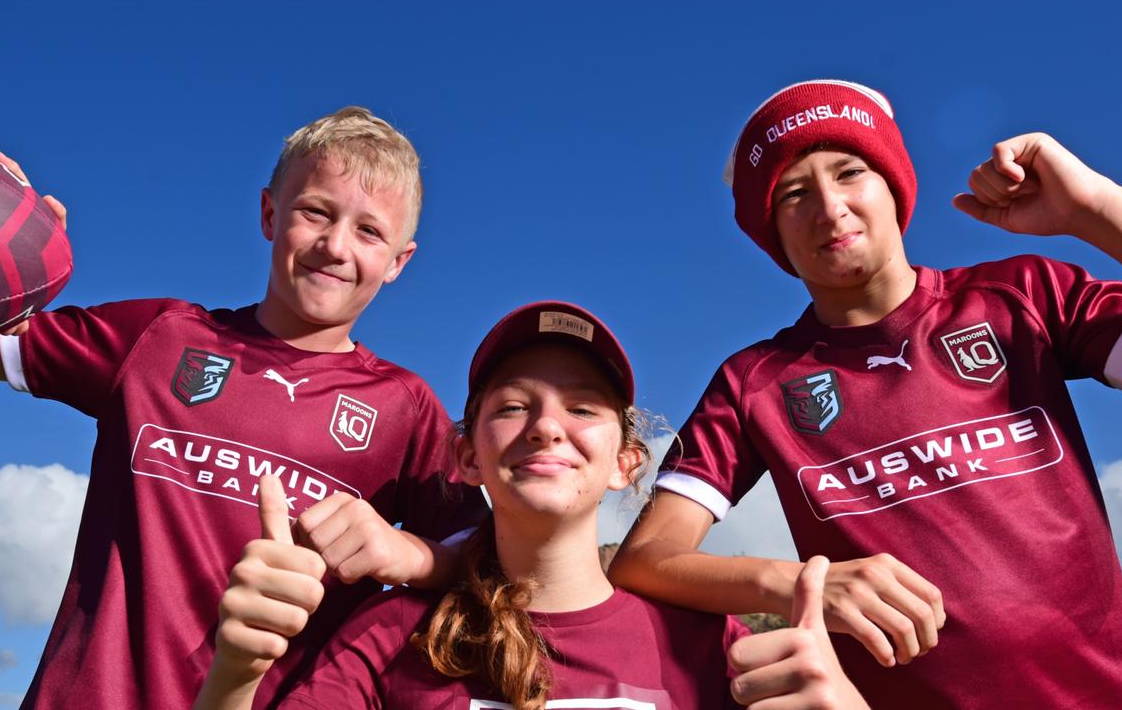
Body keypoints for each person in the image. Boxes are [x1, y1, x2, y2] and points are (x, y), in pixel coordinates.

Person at [607, 79, 1122, 709]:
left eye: (850, 172)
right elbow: (645, 559)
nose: (829, 207)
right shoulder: (754, 380)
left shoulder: (1026, 297)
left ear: (894, 184)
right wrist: (806, 582)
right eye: (794, 193)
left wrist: (1100, 209)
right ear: (771, 233)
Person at [0, 108, 488, 709]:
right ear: (268, 214)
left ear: (398, 261)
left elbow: (492, 559)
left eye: (369, 231)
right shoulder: (161, 337)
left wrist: (408, 552)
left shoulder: (404, 407)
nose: (335, 246)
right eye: (315, 212)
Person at [195, 300, 871, 709]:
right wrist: (234, 675)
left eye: (582, 408)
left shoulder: (706, 642)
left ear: (625, 464)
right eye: (514, 406)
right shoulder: (392, 634)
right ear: (467, 457)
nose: (547, 427)